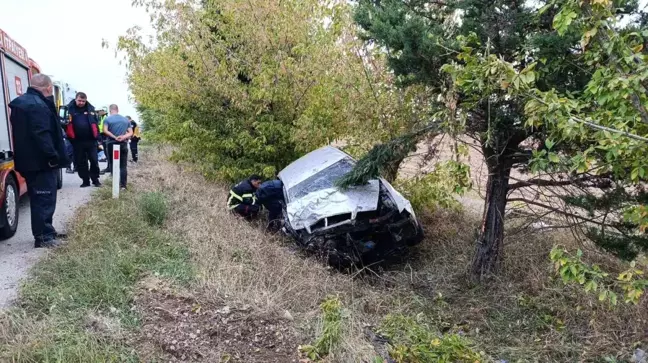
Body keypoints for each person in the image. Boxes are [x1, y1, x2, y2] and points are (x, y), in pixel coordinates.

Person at [9, 74, 68, 248]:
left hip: (28, 160)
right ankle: (44, 237)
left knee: (39, 198)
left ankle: (47, 231)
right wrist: (52, 156)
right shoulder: (37, 105)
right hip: (41, 161)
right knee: (44, 198)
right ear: (48, 88)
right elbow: (42, 133)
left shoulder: (21, 102)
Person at [64, 92, 101, 187]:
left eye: (83, 101)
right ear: (75, 99)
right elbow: (62, 123)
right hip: (76, 140)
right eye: (79, 100)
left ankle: (95, 179)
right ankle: (85, 180)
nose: (81, 103)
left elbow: (95, 124)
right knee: (81, 162)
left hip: (91, 140)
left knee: (94, 160)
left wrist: (99, 138)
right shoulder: (68, 109)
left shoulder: (90, 109)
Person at [103, 104, 133, 189]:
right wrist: (123, 137)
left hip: (111, 143)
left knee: (113, 164)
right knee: (123, 165)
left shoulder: (107, 119)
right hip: (123, 144)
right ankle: (123, 185)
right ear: (117, 109)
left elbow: (105, 131)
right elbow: (130, 133)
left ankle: (115, 184)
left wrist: (114, 137)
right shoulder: (126, 120)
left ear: (110, 110)